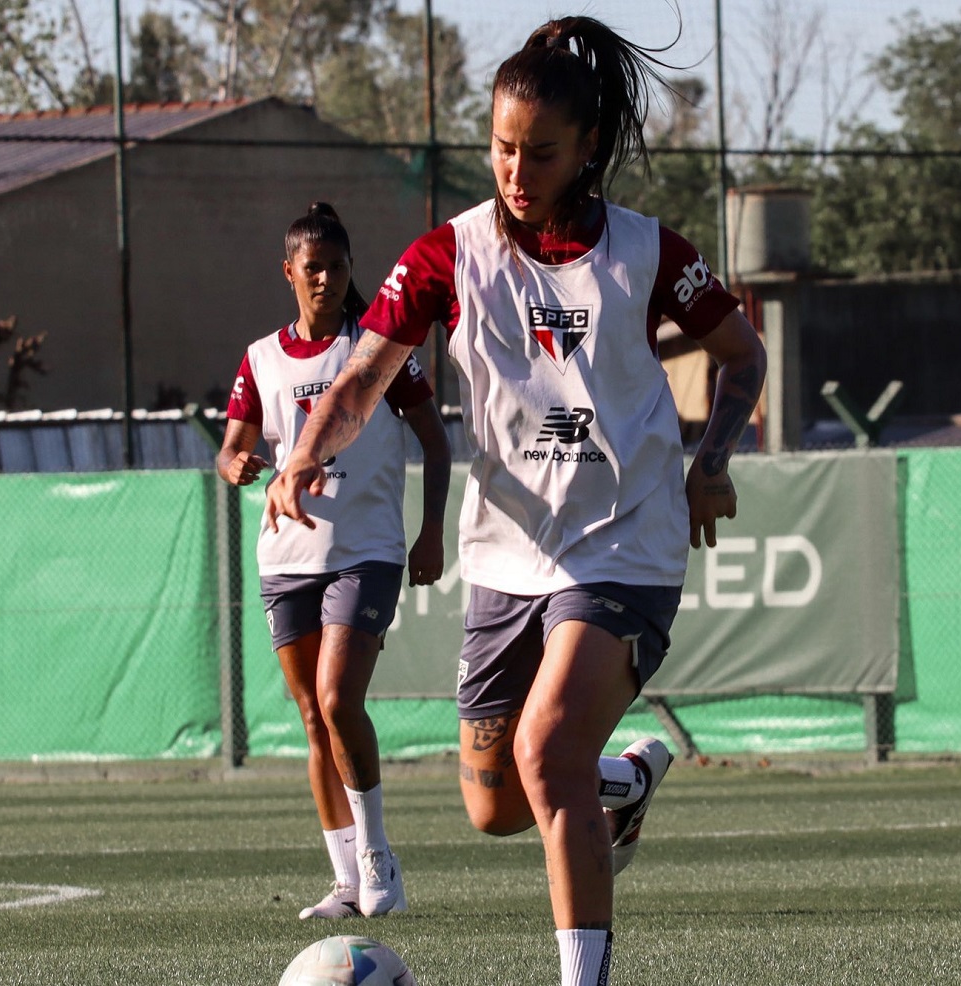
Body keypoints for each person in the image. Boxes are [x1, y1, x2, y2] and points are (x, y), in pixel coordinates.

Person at [262, 17, 767, 986]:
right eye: (501, 147)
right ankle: (623, 777)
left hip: (625, 543)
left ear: (586, 152)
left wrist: (711, 462)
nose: (516, 169)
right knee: (494, 805)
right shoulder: (445, 254)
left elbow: (742, 354)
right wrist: (302, 456)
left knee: (544, 749)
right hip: (507, 554)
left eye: (540, 152)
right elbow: (363, 376)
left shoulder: (649, 253)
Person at [217, 201, 451, 920]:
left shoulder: (377, 350)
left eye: (338, 267)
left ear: (353, 272)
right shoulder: (259, 358)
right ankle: (347, 882)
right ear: (288, 272)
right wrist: (238, 464)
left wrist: (430, 529)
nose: (325, 279)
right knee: (313, 719)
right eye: (311, 268)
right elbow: (229, 448)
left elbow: (436, 442)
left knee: (338, 699)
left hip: (366, 550)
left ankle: (381, 861)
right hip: (287, 554)